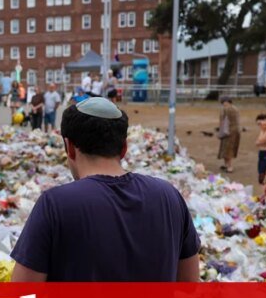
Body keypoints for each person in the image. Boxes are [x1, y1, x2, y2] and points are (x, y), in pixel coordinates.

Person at [10, 98, 201, 282]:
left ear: (69, 147)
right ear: (124, 148)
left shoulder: (54, 204)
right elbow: (189, 284)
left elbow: (22, 295)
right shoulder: (169, 196)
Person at [216, 96, 240, 173]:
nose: (223, 104)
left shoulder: (228, 109)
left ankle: (229, 166)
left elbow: (223, 121)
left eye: (224, 102)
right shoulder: (233, 108)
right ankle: (227, 165)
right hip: (231, 131)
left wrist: (220, 132)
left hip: (229, 132)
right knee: (226, 149)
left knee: (228, 150)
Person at [256, 114, 266, 188]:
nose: (260, 125)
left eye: (260, 123)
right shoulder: (264, 129)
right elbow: (258, 142)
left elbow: (261, 140)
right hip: (263, 152)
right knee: (261, 173)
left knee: (264, 175)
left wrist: (260, 142)